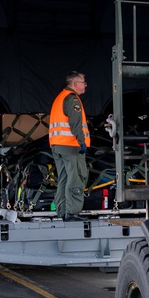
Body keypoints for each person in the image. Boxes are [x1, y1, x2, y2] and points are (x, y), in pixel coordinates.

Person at [48, 71, 90, 221]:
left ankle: (63, 211)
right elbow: (75, 123)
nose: (85, 85)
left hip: (58, 145)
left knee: (64, 178)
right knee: (77, 177)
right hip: (71, 146)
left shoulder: (60, 97)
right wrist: (82, 141)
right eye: (83, 82)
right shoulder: (73, 99)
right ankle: (72, 212)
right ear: (75, 84)